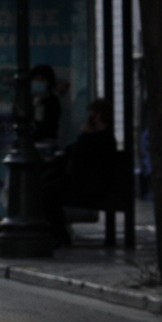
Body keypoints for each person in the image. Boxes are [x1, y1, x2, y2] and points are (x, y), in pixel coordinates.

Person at [42, 98, 119, 246]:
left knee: (47, 193)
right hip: (85, 181)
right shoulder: (99, 136)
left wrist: (84, 135)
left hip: (89, 185)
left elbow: (79, 154)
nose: (90, 117)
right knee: (46, 186)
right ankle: (56, 233)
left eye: (93, 114)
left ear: (99, 115)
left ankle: (60, 235)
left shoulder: (101, 138)